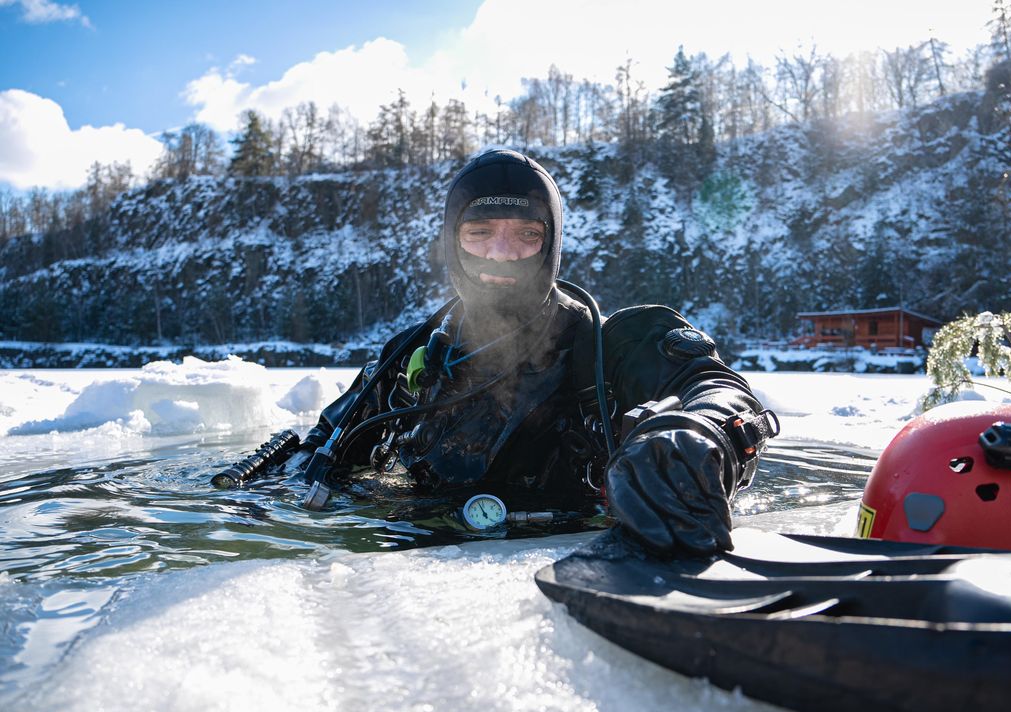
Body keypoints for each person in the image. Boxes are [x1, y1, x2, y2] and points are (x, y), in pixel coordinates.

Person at [296, 148, 777, 556]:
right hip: (406, 557)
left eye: (527, 234)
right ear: (452, 242)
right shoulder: (410, 354)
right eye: (479, 232)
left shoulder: (608, 345)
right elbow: (321, 446)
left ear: (551, 244)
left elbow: (716, 388)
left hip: (563, 554)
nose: (501, 254)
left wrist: (697, 434)